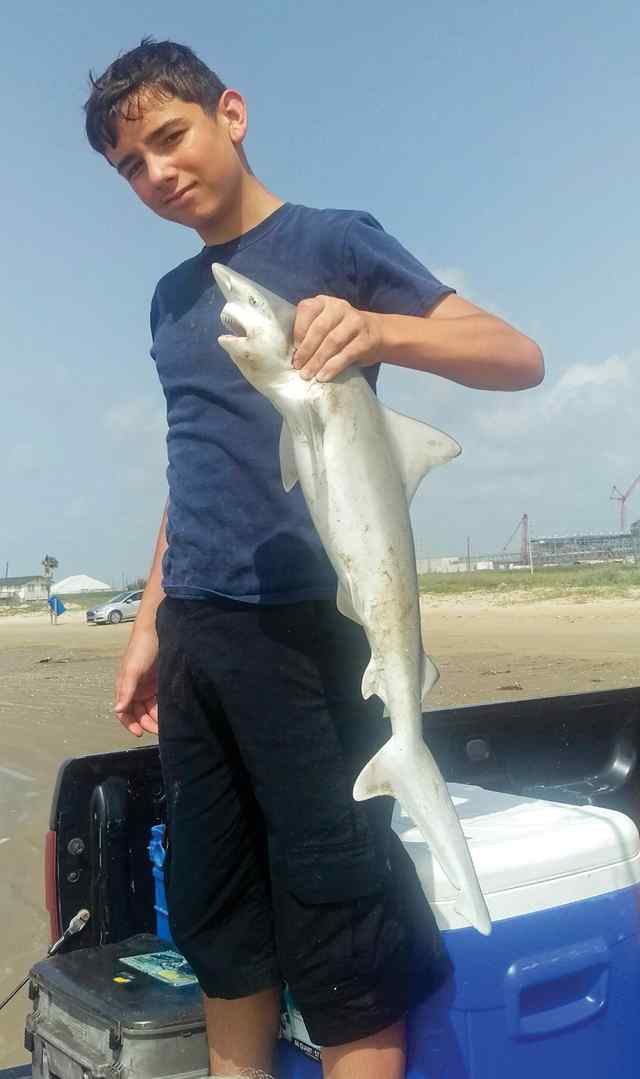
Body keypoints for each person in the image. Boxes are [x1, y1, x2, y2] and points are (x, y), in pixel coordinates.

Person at [84, 39, 543, 1079]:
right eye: (131, 166)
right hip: (199, 636)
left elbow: (515, 356)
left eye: (170, 137)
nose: (157, 173)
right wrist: (151, 622)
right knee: (219, 921)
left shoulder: (334, 241)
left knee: (342, 933)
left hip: (311, 633)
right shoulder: (171, 300)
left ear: (231, 113)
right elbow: (195, 464)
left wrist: (376, 329)